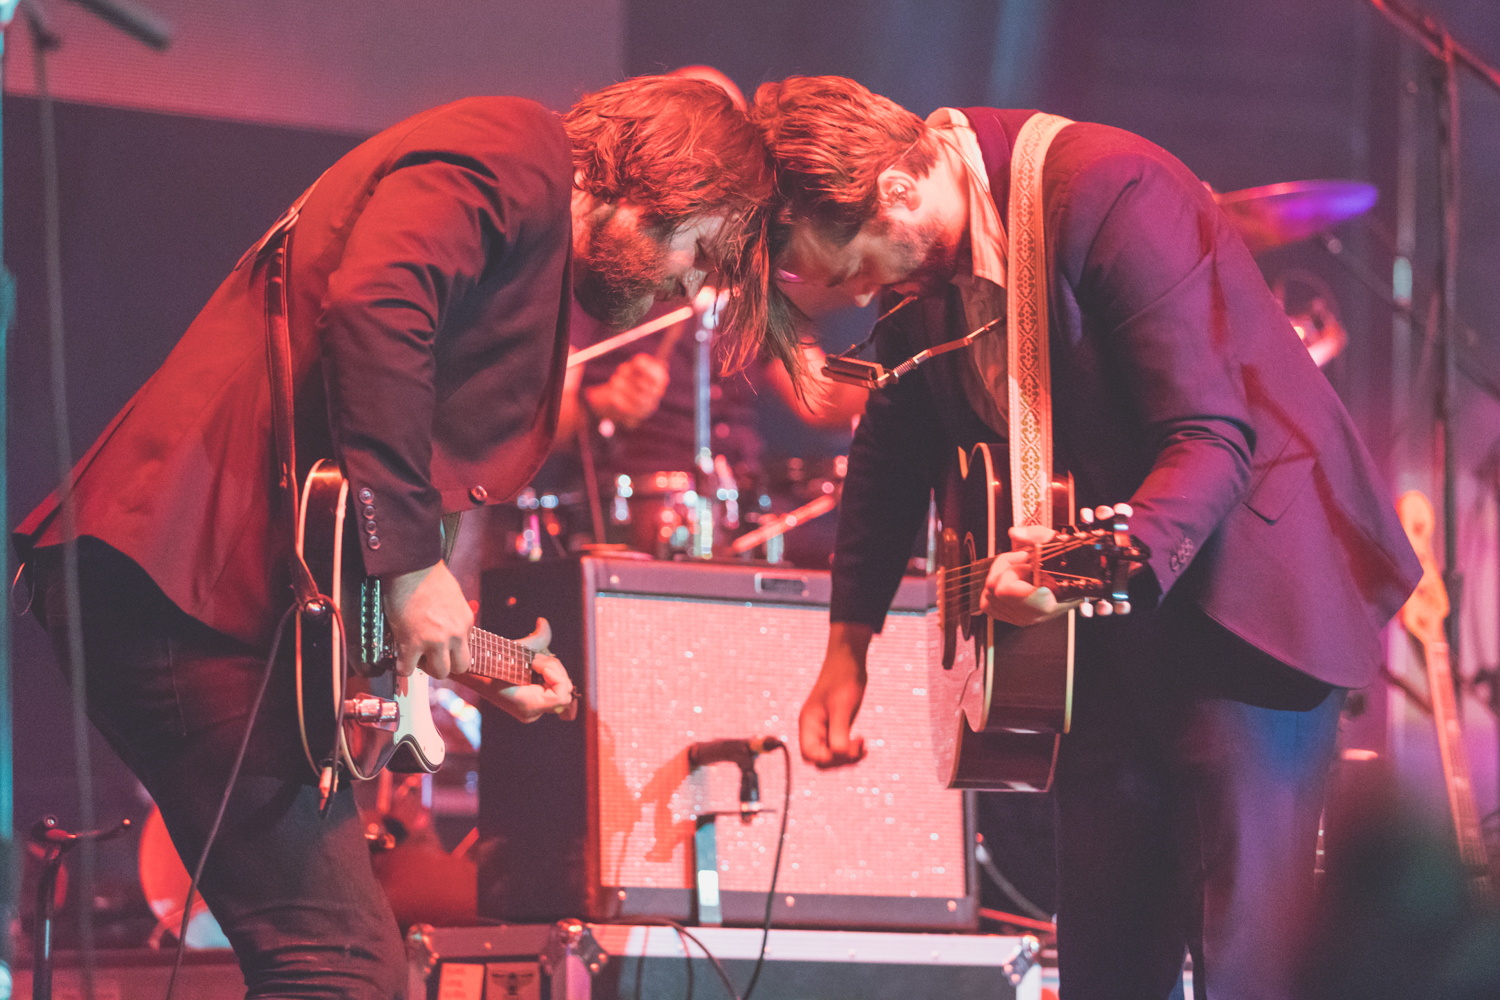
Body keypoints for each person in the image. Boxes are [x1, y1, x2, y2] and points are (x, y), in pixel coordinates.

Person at [15, 77, 797, 996]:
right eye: (703, 253)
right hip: (179, 582)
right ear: (664, 183)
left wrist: (469, 654)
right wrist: (414, 566)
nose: (693, 285)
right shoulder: (510, 149)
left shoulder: (528, 217)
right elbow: (379, 304)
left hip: (208, 593)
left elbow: (350, 490)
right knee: (338, 967)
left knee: (342, 965)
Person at [755, 76, 1422, 1000]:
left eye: (860, 270)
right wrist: (847, 642)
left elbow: (1210, 439)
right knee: (1108, 964)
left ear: (895, 189)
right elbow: (891, 444)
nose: (872, 293)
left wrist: (1079, 573)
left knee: (1241, 964)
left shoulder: (1111, 190)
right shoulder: (924, 259)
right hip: (1100, 631)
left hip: (1243, 609)